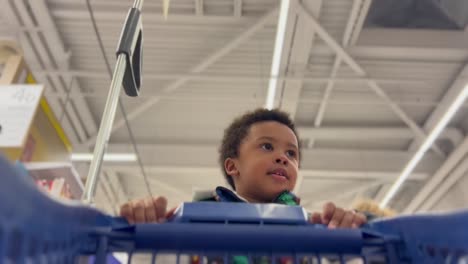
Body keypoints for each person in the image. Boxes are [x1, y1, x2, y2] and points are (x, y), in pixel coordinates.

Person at [120, 108, 367, 228]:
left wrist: (347, 231)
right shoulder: (195, 219)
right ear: (232, 165)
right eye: (267, 147)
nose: (283, 158)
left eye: (291, 154)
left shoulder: (312, 226)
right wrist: (145, 226)